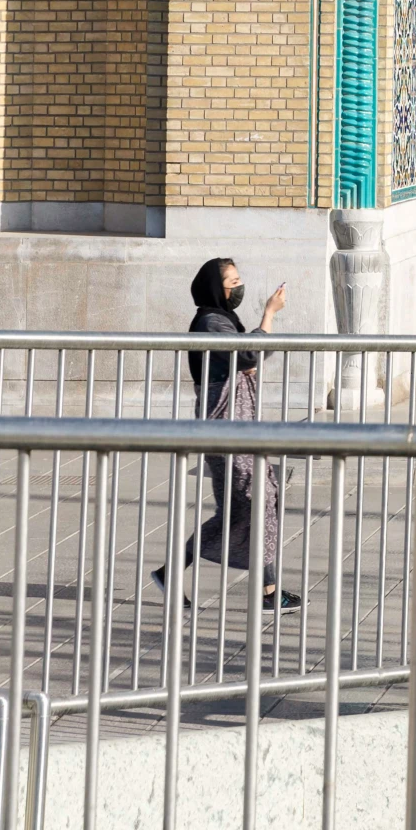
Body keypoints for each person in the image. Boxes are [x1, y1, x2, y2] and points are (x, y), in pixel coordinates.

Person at [154, 258, 296, 608]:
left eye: (238, 278)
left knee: (246, 506)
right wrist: (270, 314)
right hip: (226, 424)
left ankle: (264, 591)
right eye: (232, 281)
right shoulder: (210, 321)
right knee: (251, 501)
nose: (238, 286)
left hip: (238, 423)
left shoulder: (221, 320)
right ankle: (267, 594)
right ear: (217, 288)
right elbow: (248, 353)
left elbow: (243, 358)